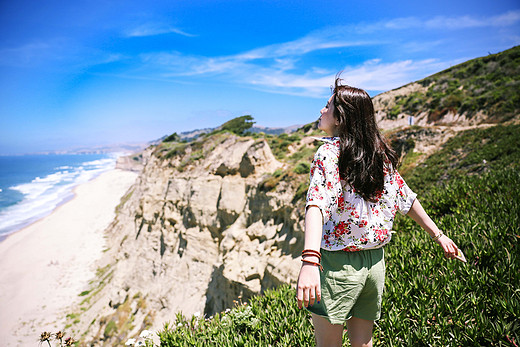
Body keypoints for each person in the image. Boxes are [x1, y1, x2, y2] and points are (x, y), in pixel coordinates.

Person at [296, 76, 461, 347]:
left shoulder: (328, 152)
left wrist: (310, 261)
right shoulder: (379, 154)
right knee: (364, 344)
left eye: (327, 106)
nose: (321, 111)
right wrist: (439, 235)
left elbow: (316, 205)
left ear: (340, 118)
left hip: (338, 266)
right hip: (374, 265)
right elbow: (406, 199)